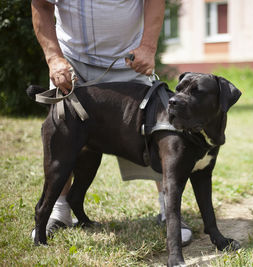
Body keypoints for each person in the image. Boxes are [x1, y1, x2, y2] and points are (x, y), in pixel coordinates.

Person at [31, 0, 192, 246]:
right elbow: (41, 4)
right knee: (64, 138)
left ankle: (169, 212)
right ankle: (59, 211)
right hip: (70, 61)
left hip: (128, 59)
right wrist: (54, 58)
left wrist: (148, 46)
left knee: (155, 131)